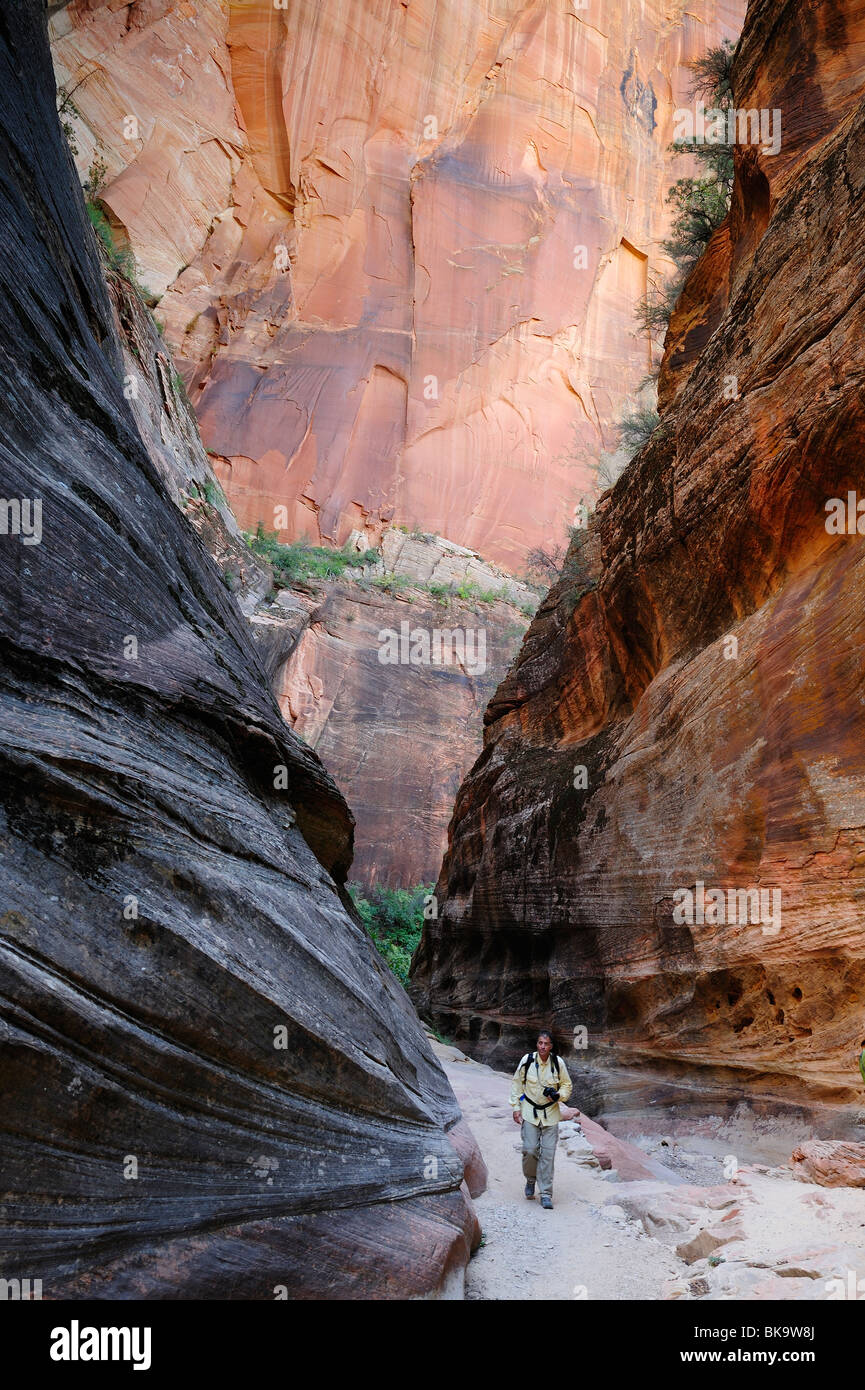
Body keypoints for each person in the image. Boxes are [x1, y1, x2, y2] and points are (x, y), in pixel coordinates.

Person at [509, 1030, 573, 1210]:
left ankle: (545, 1193)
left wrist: (559, 1095)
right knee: (530, 1150)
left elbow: (567, 1084)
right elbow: (517, 1083)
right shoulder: (527, 1060)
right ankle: (530, 1179)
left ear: (551, 1046)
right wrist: (516, 1106)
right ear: (537, 1044)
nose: (543, 1047)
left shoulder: (557, 1063)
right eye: (540, 1043)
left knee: (548, 1154)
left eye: (546, 1044)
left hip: (551, 1114)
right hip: (529, 1111)